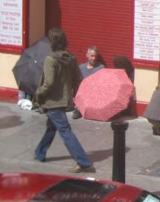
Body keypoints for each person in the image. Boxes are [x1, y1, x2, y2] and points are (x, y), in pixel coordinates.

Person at [33, 28, 95, 173]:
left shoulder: (50, 59)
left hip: (53, 100)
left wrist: (38, 93)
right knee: (52, 126)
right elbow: (77, 79)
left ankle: (82, 161)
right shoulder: (71, 58)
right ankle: (40, 152)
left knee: (65, 131)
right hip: (64, 99)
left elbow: (48, 83)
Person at [73, 46, 106, 119]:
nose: (94, 58)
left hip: (94, 93)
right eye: (92, 56)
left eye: (95, 56)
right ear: (87, 55)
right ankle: (78, 108)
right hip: (83, 93)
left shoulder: (100, 68)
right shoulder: (81, 67)